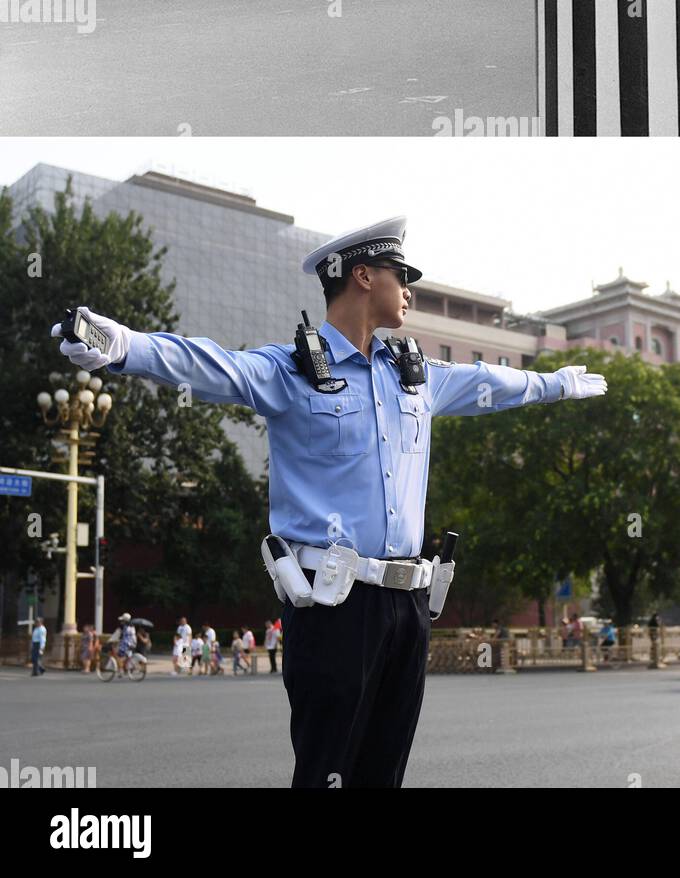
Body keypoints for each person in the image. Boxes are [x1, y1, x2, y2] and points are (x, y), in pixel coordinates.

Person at [52, 216, 607, 788]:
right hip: (334, 605)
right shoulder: (290, 372)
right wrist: (121, 345)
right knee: (327, 773)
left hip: (409, 608)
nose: (409, 289)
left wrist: (555, 383)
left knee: (383, 775)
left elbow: (489, 382)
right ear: (363, 277)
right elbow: (207, 364)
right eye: (400, 275)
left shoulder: (413, 378)